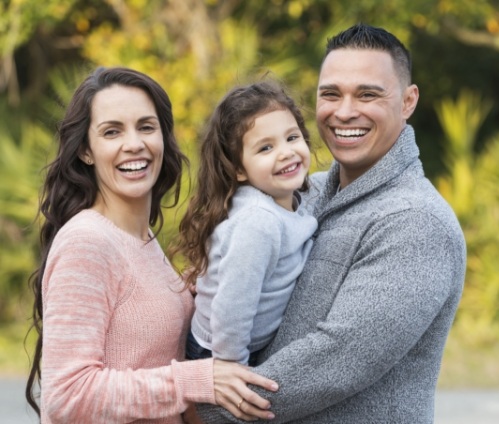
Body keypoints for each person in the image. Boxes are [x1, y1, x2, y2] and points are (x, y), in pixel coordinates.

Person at [196, 23, 467, 423]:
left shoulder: (416, 222)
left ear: (408, 101)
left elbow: (334, 361)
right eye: (330, 94)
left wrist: (202, 408)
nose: (343, 111)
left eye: (368, 94)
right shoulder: (302, 193)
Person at [24, 66, 278, 424]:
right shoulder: (87, 242)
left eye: (146, 126)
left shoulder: (143, 240)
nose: (134, 144)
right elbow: (67, 395)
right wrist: (197, 381)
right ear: (86, 150)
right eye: (112, 131)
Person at [173, 81, 317, 367]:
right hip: (218, 351)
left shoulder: (293, 199)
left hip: (241, 345)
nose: (286, 152)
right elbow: (231, 311)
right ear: (238, 169)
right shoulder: (258, 224)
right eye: (265, 148)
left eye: (292, 138)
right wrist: (233, 368)